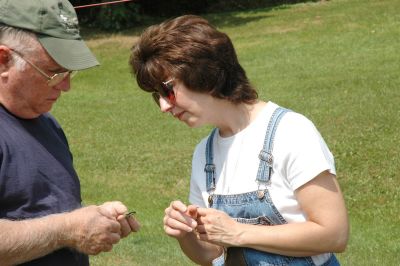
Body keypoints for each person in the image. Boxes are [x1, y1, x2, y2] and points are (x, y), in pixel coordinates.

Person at [130, 15, 349, 266]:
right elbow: (210, 254)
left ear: (203, 73)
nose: (163, 106)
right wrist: (186, 234)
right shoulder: (205, 154)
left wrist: (238, 232)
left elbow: (335, 234)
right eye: (156, 96)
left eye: (167, 90)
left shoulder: (291, 132)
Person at [0, 1, 140, 265]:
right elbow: (62, 227)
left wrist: (94, 218)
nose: (66, 86)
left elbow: (42, 209)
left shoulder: (46, 123)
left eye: (69, 72)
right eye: (53, 72)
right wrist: (67, 229)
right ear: (4, 60)